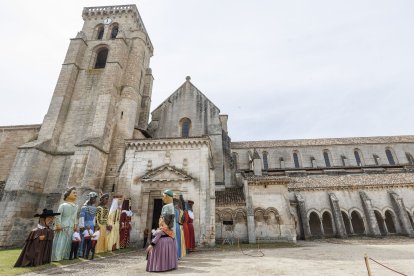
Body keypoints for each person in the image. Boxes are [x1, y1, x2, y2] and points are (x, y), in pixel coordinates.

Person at [52, 187, 78, 261]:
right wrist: (58, 225)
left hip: (71, 227)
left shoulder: (75, 206)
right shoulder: (63, 205)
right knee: (60, 242)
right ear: (68, 195)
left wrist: (75, 225)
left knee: (68, 243)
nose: (75, 194)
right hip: (63, 226)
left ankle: (66, 256)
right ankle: (56, 257)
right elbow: (58, 216)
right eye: (74, 193)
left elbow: (75, 217)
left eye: (76, 193)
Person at [78, 192, 97, 257]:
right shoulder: (84, 207)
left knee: (89, 240)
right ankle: (80, 252)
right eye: (93, 198)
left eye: (95, 198)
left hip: (91, 226)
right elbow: (82, 217)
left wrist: (94, 225)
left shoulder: (95, 208)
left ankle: (87, 252)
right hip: (85, 225)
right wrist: (81, 225)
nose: (94, 200)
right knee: (83, 239)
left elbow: (94, 217)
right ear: (89, 198)